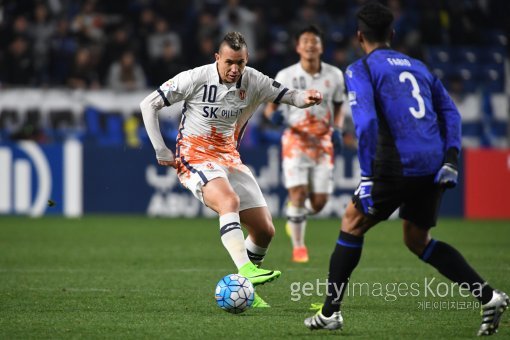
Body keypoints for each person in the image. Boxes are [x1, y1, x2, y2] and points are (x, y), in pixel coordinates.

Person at [304, 2, 508, 335]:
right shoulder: (419, 66)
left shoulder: (361, 69)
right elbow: (451, 114)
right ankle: (488, 297)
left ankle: (330, 312)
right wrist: (451, 158)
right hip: (434, 164)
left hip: (397, 164)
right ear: (392, 34)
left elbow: (367, 123)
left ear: (359, 36)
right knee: (417, 238)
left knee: (352, 223)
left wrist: (368, 177)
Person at [140, 31, 323, 308]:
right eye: (229, 62)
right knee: (229, 201)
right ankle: (246, 269)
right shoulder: (195, 77)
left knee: (265, 230)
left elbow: (289, 96)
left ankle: (246, 287)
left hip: (228, 156)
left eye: (240, 62)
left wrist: (306, 97)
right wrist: (161, 149)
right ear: (217, 58)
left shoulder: (254, 80)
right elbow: (148, 104)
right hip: (195, 154)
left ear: (247, 59)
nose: (235, 69)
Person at [263, 25, 345, 263]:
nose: (310, 45)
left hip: (322, 142)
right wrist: (273, 116)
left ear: (321, 47)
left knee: (319, 203)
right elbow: (271, 108)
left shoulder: (335, 75)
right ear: (298, 47)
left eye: (314, 41)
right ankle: (299, 247)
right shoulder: (285, 76)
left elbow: (339, 105)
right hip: (295, 140)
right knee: (298, 193)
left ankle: (294, 213)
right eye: (305, 41)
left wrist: (338, 130)